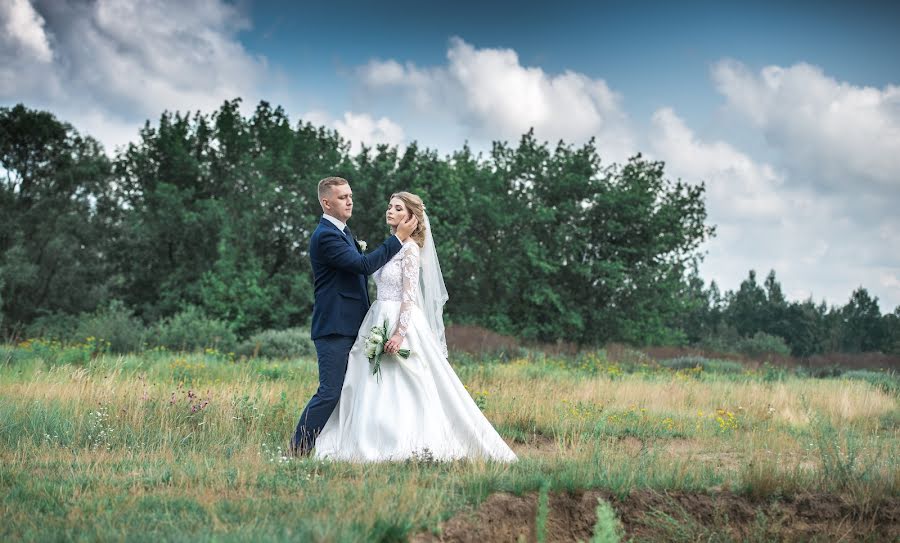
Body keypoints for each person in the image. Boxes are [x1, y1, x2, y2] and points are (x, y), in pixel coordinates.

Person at [314, 191, 517, 462]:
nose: (390, 211)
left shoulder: (409, 249)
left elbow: (409, 296)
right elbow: (366, 267)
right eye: (389, 206)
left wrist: (399, 333)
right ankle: (368, 433)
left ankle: (406, 439)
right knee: (368, 382)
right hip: (375, 316)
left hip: (400, 321)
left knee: (405, 382)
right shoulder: (390, 245)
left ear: (411, 218)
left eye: (398, 208)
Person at [291, 177, 418, 456]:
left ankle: (347, 446)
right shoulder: (325, 235)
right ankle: (298, 449)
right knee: (330, 392)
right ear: (326, 202)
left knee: (353, 391)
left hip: (355, 325)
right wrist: (397, 239)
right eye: (341, 197)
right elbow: (362, 265)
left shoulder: (345, 232)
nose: (349, 201)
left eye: (350, 195)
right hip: (334, 327)